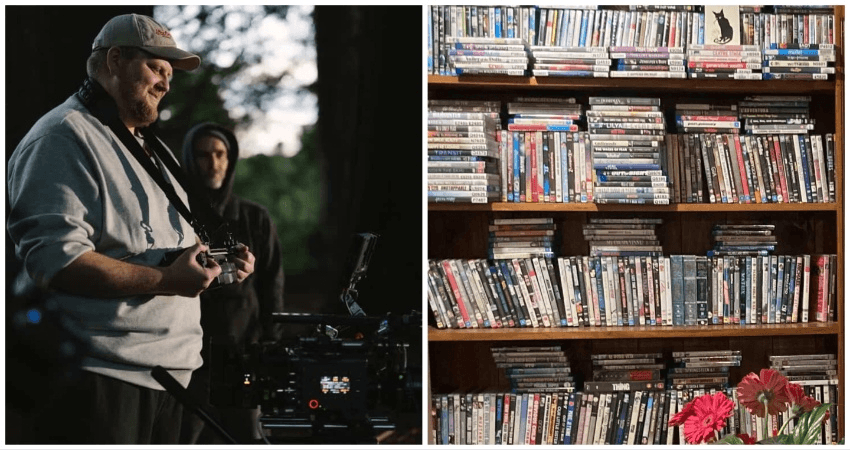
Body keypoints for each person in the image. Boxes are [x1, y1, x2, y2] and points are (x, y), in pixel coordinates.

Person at [6, 14, 256, 444]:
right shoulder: (62, 137)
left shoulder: (148, 147)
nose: (165, 84)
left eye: (170, 74)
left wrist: (217, 269)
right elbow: (56, 263)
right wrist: (167, 279)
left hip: (177, 377)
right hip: (103, 380)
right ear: (116, 60)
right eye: (156, 68)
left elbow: (158, 252)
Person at [178, 123, 285, 444]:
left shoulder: (255, 217)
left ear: (230, 158)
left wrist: (270, 345)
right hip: (188, 354)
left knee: (248, 438)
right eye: (203, 155)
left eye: (220, 154)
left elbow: (272, 284)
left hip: (242, 349)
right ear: (189, 160)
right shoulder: (172, 216)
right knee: (184, 437)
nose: (213, 163)